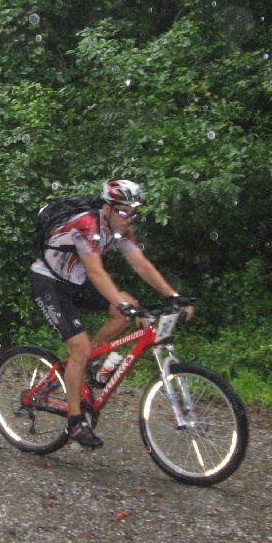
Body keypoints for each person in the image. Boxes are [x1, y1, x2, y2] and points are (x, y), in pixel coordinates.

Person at [30, 179, 193, 449]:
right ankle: (75, 421)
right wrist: (120, 301)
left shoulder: (119, 229)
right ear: (107, 207)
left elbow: (141, 264)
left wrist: (173, 296)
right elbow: (96, 272)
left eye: (133, 213)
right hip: (49, 282)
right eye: (123, 212)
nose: (128, 219)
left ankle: (86, 361)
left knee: (125, 307)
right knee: (82, 344)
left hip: (76, 281)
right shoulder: (87, 225)